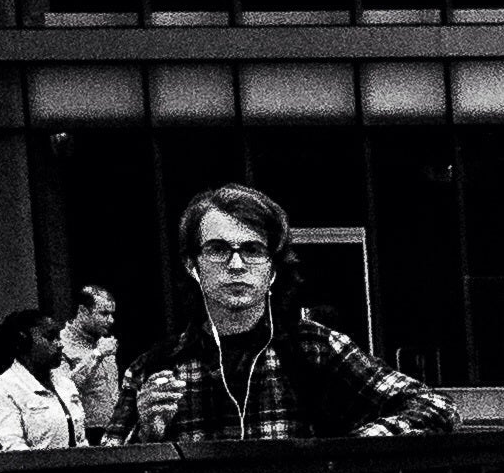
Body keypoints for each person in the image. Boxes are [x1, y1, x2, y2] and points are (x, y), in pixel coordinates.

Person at [132, 184, 451, 443]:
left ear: (272, 271)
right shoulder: (156, 366)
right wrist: (148, 434)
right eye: (218, 249)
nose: (237, 264)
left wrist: (344, 455)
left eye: (253, 250)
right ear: (192, 265)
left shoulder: (314, 347)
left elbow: (435, 407)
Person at [0, 308, 84, 450]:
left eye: (59, 337)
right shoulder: (2, 388)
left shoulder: (66, 385)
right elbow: (12, 449)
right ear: (23, 341)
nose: (60, 344)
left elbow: (81, 441)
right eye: (50, 337)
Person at [56, 283, 129, 439]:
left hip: (114, 428)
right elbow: (62, 390)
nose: (111, 320)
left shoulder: (105, 341)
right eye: (104, 313)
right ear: (83, 311)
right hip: (84, 432)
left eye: (112, 314)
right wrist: (97, 354)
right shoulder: (60, 344)